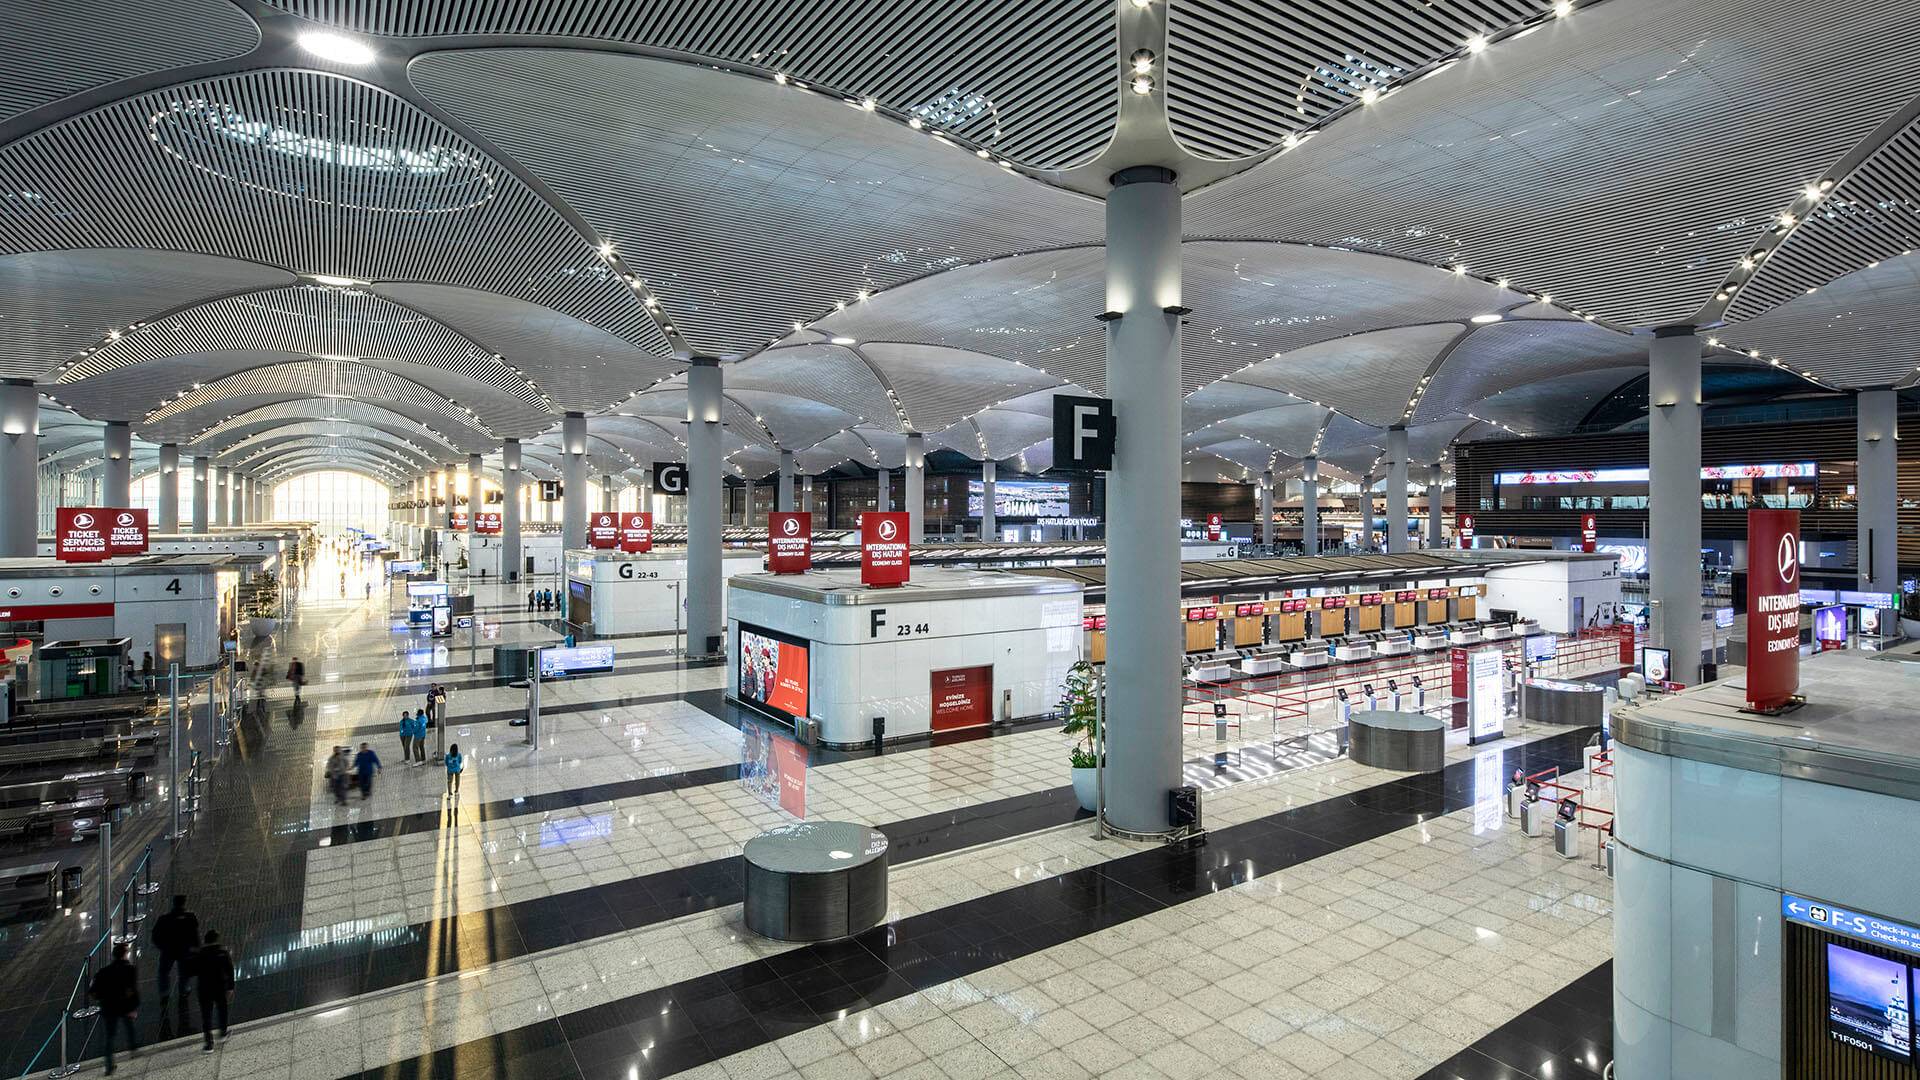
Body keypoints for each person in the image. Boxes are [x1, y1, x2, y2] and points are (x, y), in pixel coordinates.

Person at [88, 942, 139, 1074]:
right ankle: (133, 1048)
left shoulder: (103, 972)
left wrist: (102, 998)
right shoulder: (130, 969)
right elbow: (131, 990)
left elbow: (93, 991)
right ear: (124, 954)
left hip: (108, 1008)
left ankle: (109, 1065)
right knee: (129, 1026)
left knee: (110, 1037)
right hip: (124, 1006)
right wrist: (133, 1007)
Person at [150, 895, 198, 1032]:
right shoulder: (190, 917)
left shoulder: (164, 919)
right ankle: (183, 991)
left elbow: (155, 936)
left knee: (163, 972)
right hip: (184, 951)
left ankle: (164, 993)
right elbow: (195, 934)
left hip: (168, 951)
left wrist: (162, 947)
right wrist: (195, 948)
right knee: (184, 973)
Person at [193, 930, 234, 1052]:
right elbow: (230, 970)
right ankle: (222, 1033)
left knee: (206, 1016)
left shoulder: (200, 954)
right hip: (219, 987)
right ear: (216, 939)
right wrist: (231, 987)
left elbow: (194, 969)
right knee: (222, 1009)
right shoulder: (222, 952)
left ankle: (208, 1044)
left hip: (204, 989)